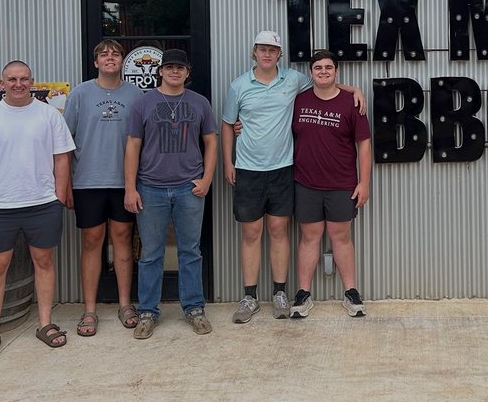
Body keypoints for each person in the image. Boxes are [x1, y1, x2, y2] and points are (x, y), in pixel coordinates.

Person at [221, 30, 363, 324]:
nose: (267, 54)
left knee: (278, 232)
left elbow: (326, 82)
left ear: (279, 54)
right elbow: (227, 124)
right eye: (262, 49)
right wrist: (228, 161)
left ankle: (280, 293)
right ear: (254, 52)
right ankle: (249, 297)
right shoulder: (238, 86)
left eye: (273, 50)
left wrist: (354, 90)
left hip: (284, 169)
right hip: (248, 168)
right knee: (251, 233)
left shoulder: (293, 81)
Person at [0, 60, 75, 359]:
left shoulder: (49, 115)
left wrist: (57, 197)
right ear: (2, 83)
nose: (18, 84)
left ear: (32, 82)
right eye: (12, 79)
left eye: (24, 79)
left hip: (41, 203)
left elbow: (62, 158)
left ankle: (45, 324)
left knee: (44, 263)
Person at [124, 48, 218, 339]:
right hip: (150, 187)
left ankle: (193, 308)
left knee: (190, 251)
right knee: (151, 253)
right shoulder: (143, 103)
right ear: (160, 71)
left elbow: (212, 142)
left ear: (188, 72)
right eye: (169, 67)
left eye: (180, 67)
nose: (174, 72)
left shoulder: (199, 103)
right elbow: (132, 146)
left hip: (189, 187)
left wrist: (206, 180)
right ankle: (148, 312)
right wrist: (130, 188)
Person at [63, 39, 143, 336]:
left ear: (123, 61)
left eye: (116, 53)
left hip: (125, 181)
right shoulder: (81, 94)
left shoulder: (136, 95)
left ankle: (125, 304)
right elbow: (64, 141)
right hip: (88, 180)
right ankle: (90, 310)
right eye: (103, 54)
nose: (110, 57)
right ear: (95, 62)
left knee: (123, 239)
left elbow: (146, 139)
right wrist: (66, 183)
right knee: (92, 241)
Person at [288, 50, 372, 319]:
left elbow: (364, 144)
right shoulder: (298, 100)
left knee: (342, 238)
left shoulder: (351, 102)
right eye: (318, 68)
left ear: (336, 71)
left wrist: (365, 182)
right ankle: (303, 294)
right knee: (309, 238)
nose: (323, 72)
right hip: (306, 182)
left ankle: (351, 292)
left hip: (341, 183)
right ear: (310, 72)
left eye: (328, 67)